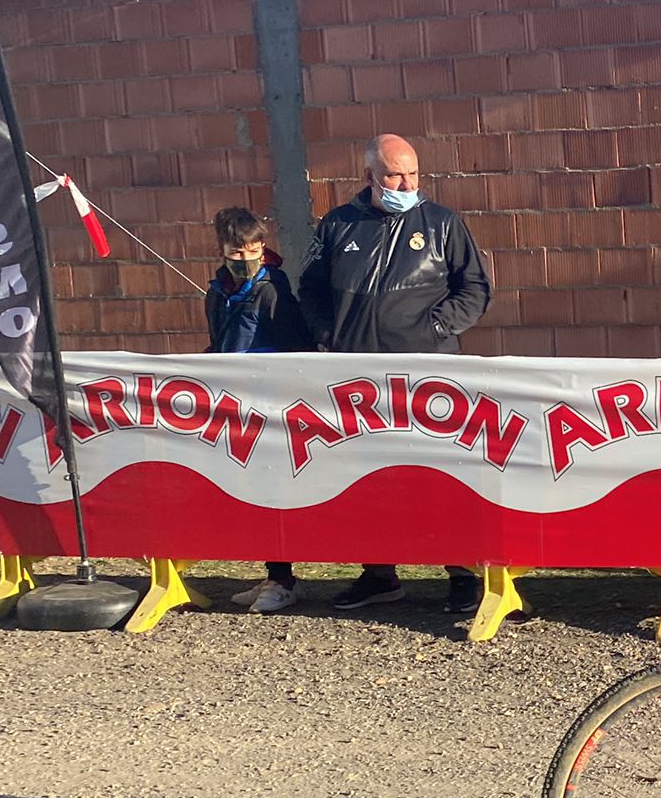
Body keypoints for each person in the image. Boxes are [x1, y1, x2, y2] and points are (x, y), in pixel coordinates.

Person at [300, 134, 493, 614]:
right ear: (369, 175)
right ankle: (378, 574)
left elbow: (474, 288)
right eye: (394, 175)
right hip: (356, 376)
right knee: (366, 478)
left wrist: (435, 328)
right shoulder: (337, 225)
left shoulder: (442, 223)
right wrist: (330, 334)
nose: (406, 185)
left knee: (440, 476)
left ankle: (462, 574)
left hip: (428, 374)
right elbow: (311, 289)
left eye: (412, 174)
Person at [206, 205, 316, 615]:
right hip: (236, 402)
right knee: (252, 491)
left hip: (273, 404)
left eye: (255, 250)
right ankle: (275, 572)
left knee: (275, 490)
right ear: (222, 250)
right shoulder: (217, 292)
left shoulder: (272, 290)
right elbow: (219, 342)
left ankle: (284, 580)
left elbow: (296, 346)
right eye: (238, 252)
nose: (247, 258)